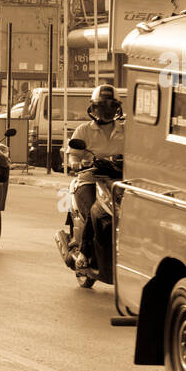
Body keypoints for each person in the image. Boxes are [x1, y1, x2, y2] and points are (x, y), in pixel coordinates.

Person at [62, 84, 124, 269]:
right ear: (93, 107)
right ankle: (84, 253)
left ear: (117, 108)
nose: (106, 110)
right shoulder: (83, 130)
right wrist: (76, 162)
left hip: (118, 181)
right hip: (89, 179)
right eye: (101, 106)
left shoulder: (126, 131)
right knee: (94, 211)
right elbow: (72, 154)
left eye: (111, 106)